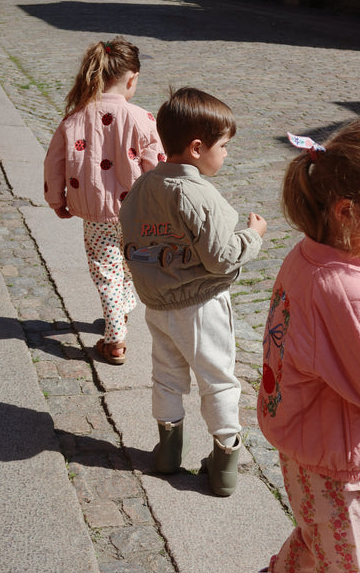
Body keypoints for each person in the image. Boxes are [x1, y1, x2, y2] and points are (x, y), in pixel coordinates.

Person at [257, 117, 360, 573]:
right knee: (344, 562)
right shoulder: (345, 285)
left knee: (318, 540)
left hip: (314, 444)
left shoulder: (319, 256)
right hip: (342, 470)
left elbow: (341, 335)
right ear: (348, 211)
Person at [119, 86, 267, 496]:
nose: (227, 153)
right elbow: (221, 257)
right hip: (200, 305)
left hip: (157, 305)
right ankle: (224, 466)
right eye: (225, 145)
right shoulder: (199, 193)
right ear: (198, 147)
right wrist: (252, 236)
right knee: (217, 379)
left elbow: (128, 237)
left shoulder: (143, 186)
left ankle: (168, 453)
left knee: (166, 376)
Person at [44, 36, 165, 365]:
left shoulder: (74, 118)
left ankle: (115, 337)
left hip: (96, 215)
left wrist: (57, 200)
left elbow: (54, 164)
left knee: (106, 272)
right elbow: (158, 166)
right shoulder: (143, 119)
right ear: (132, 78)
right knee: (128, 268)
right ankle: (119, 322)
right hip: (137, 214)